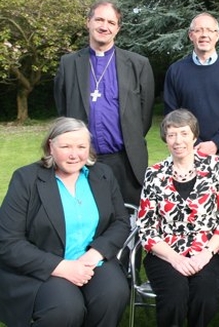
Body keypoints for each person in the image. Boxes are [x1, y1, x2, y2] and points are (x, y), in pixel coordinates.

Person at [0, 117, 130, 327]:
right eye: (66, 146)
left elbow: (121, 222)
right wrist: (61, 267)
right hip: (45, 265)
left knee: (113, 294)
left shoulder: (102, 175)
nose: (74, 154)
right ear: (51, 146)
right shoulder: (26, 179)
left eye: (81, 146)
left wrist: (95, 253)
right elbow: (8, 241)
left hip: (91, 259)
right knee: (66, 308)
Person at [137, 109, 219, 327]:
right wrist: (175, 258)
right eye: (172, 134)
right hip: (165, 252)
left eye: (184, 133)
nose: (178, 140)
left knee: (205, 296)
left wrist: (206, 254)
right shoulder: (154, 174)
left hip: (208, 249)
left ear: (194, 136)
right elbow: (146, 229)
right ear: (165, 139)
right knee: (174, 296)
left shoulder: (215, 166)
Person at [54, 0, 155, 205]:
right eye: (99, 19)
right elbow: (63, 109)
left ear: (117, 28)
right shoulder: (69, 63)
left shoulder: (138, 64)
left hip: (125, 160)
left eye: (111, 22)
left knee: (129, 219)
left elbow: (145, 116)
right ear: (88, 22)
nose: (104, 26)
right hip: (83, 160)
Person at [164, 12, 219, 209]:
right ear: (190, 35)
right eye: (199, 30)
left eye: (210, 30)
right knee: (192, 209)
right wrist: (196, 145)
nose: (204, 35)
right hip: (189, 153)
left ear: (217, 36)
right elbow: (172, 115)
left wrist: (216, 143)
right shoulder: (176, 71)